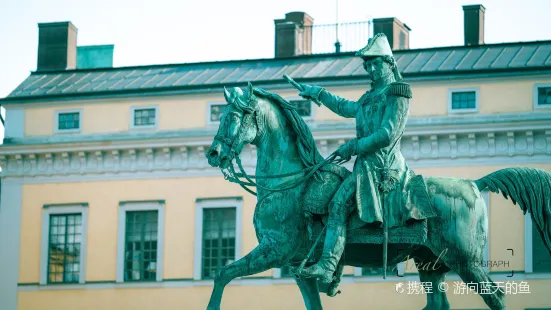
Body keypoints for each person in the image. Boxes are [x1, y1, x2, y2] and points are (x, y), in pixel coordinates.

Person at [293, 33, 420, 284]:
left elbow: (386, 134)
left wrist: (353, 146)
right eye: (368, 65)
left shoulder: (397, 93)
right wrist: (316, 92)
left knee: (338, 205)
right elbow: (345, 107)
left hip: (383, 167)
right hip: (365, 166)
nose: (371, 69)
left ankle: (328, 267)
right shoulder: (370, 96)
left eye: (375, 63)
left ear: (389, 62)